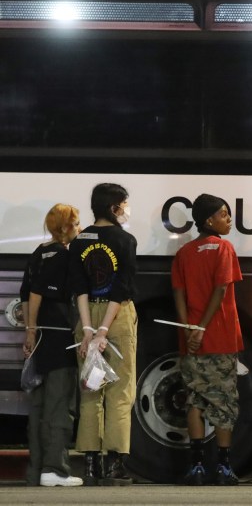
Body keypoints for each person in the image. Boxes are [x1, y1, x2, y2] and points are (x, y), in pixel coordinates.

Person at [69, 183, 138, 486]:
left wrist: (87, 331)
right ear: (114, 208)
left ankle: (90, 463)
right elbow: (121, 286)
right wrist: (103, 331)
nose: (126, 209)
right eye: (124, 204)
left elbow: (79, 287)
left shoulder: (78, 240)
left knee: (90, 389)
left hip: (87, 315)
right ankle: (115, 464)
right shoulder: (125, 240)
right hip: (117, 316)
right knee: (120, 390)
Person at [172, 194, 243, 486]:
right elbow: (221, 290)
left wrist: (189, 328)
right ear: (208, 220)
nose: (228, 219)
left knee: (195, 400)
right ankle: (224, 468)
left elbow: (178, 292)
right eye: (224, 214)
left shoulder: (184, 252)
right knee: (224, 402)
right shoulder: (224, 248)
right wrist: (202, 327)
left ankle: (197, 466)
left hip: (190, 341)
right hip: (220, 337)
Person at [20, 204, 82, 487]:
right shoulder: (64, 255)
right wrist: (32, 330)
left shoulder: (37, 253)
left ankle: (36, 470)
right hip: (59, 337)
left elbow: (25, 295)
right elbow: (36, 293)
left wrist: (30, 332)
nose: (79, 229)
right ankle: (55, 469)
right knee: (60, 406)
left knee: (39, 406)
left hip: (41, 338)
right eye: (77, 223)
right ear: (66, 227)